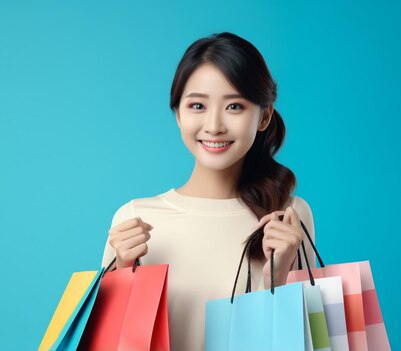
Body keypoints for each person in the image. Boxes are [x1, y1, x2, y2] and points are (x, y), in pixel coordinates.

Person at [99, 32, 316, 350]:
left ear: (264, 117)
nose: (214, 125)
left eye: (235, 106)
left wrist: (277, 277)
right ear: (178, 114)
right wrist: (121, 271)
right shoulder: (135, 217)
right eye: (198, 105)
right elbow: (108, 341)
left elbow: (294, 342)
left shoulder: (287, 215)